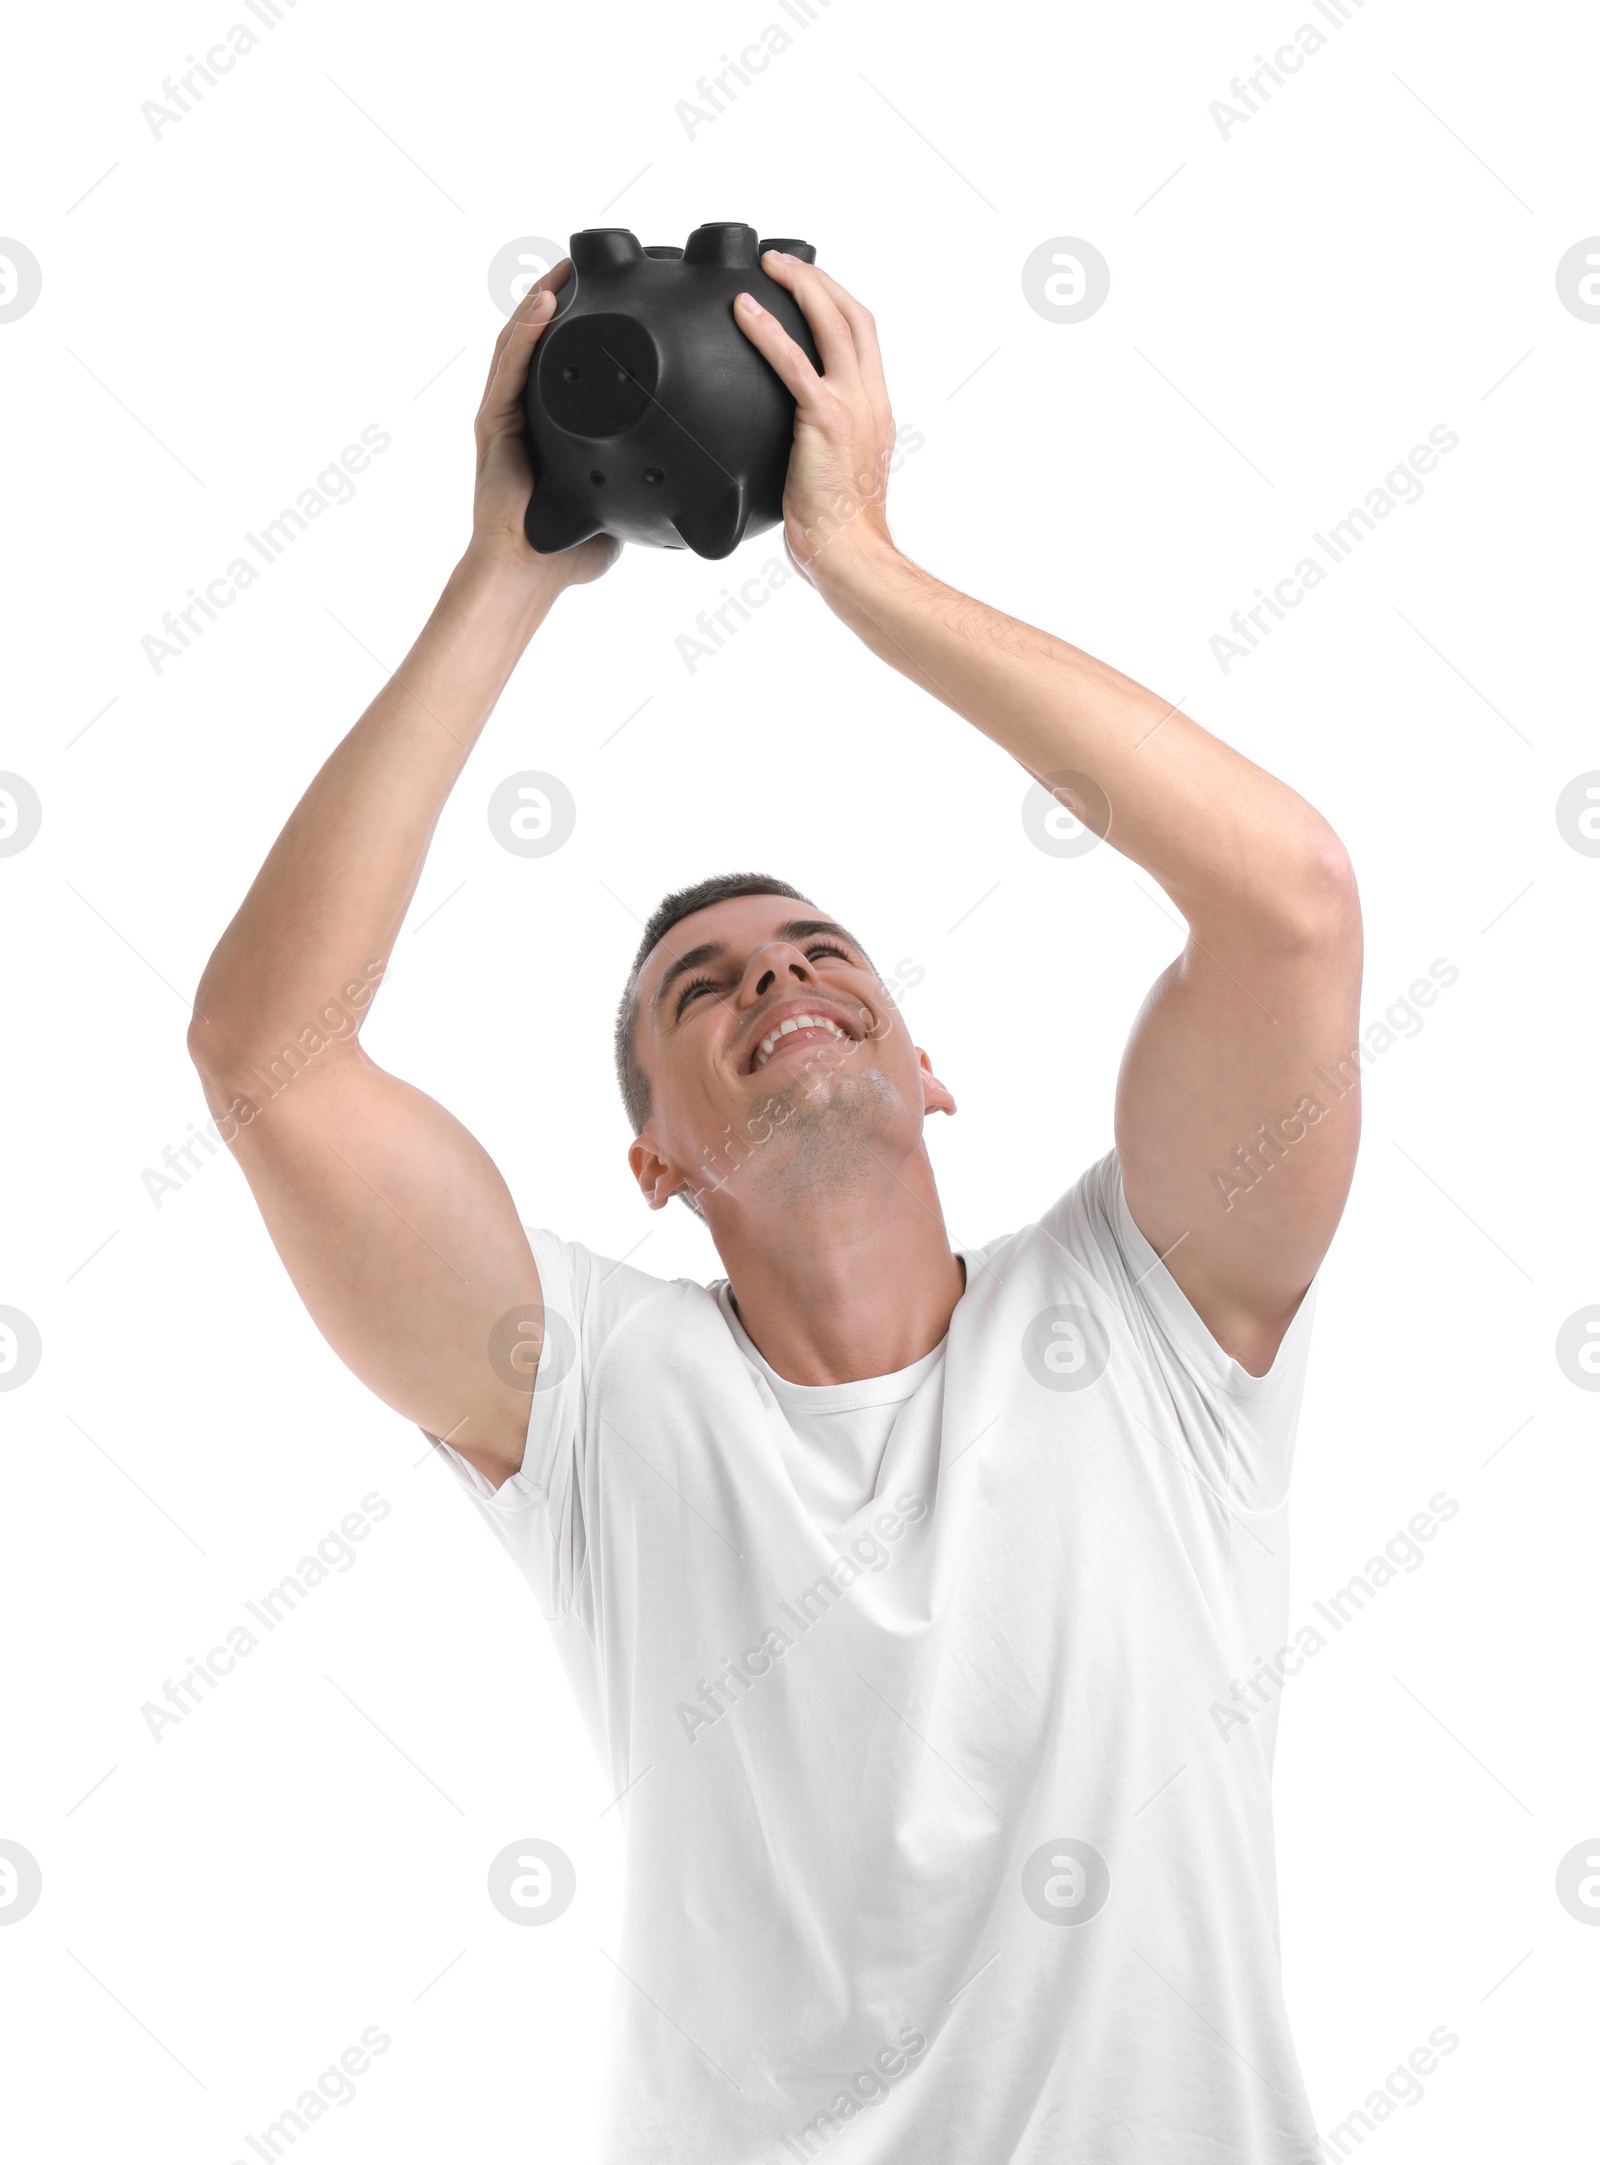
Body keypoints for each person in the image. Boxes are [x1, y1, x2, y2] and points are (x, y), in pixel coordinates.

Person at [190, 248, 1362, 2164]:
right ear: (654, 1160)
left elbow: (1290, 902)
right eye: (703, 989)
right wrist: (511, 568)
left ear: (929, 1071)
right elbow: (270, 1065)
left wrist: (866, 568)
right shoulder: (588, 1407)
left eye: (826, 956)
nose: (778, 983)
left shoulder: (1163, 1319)